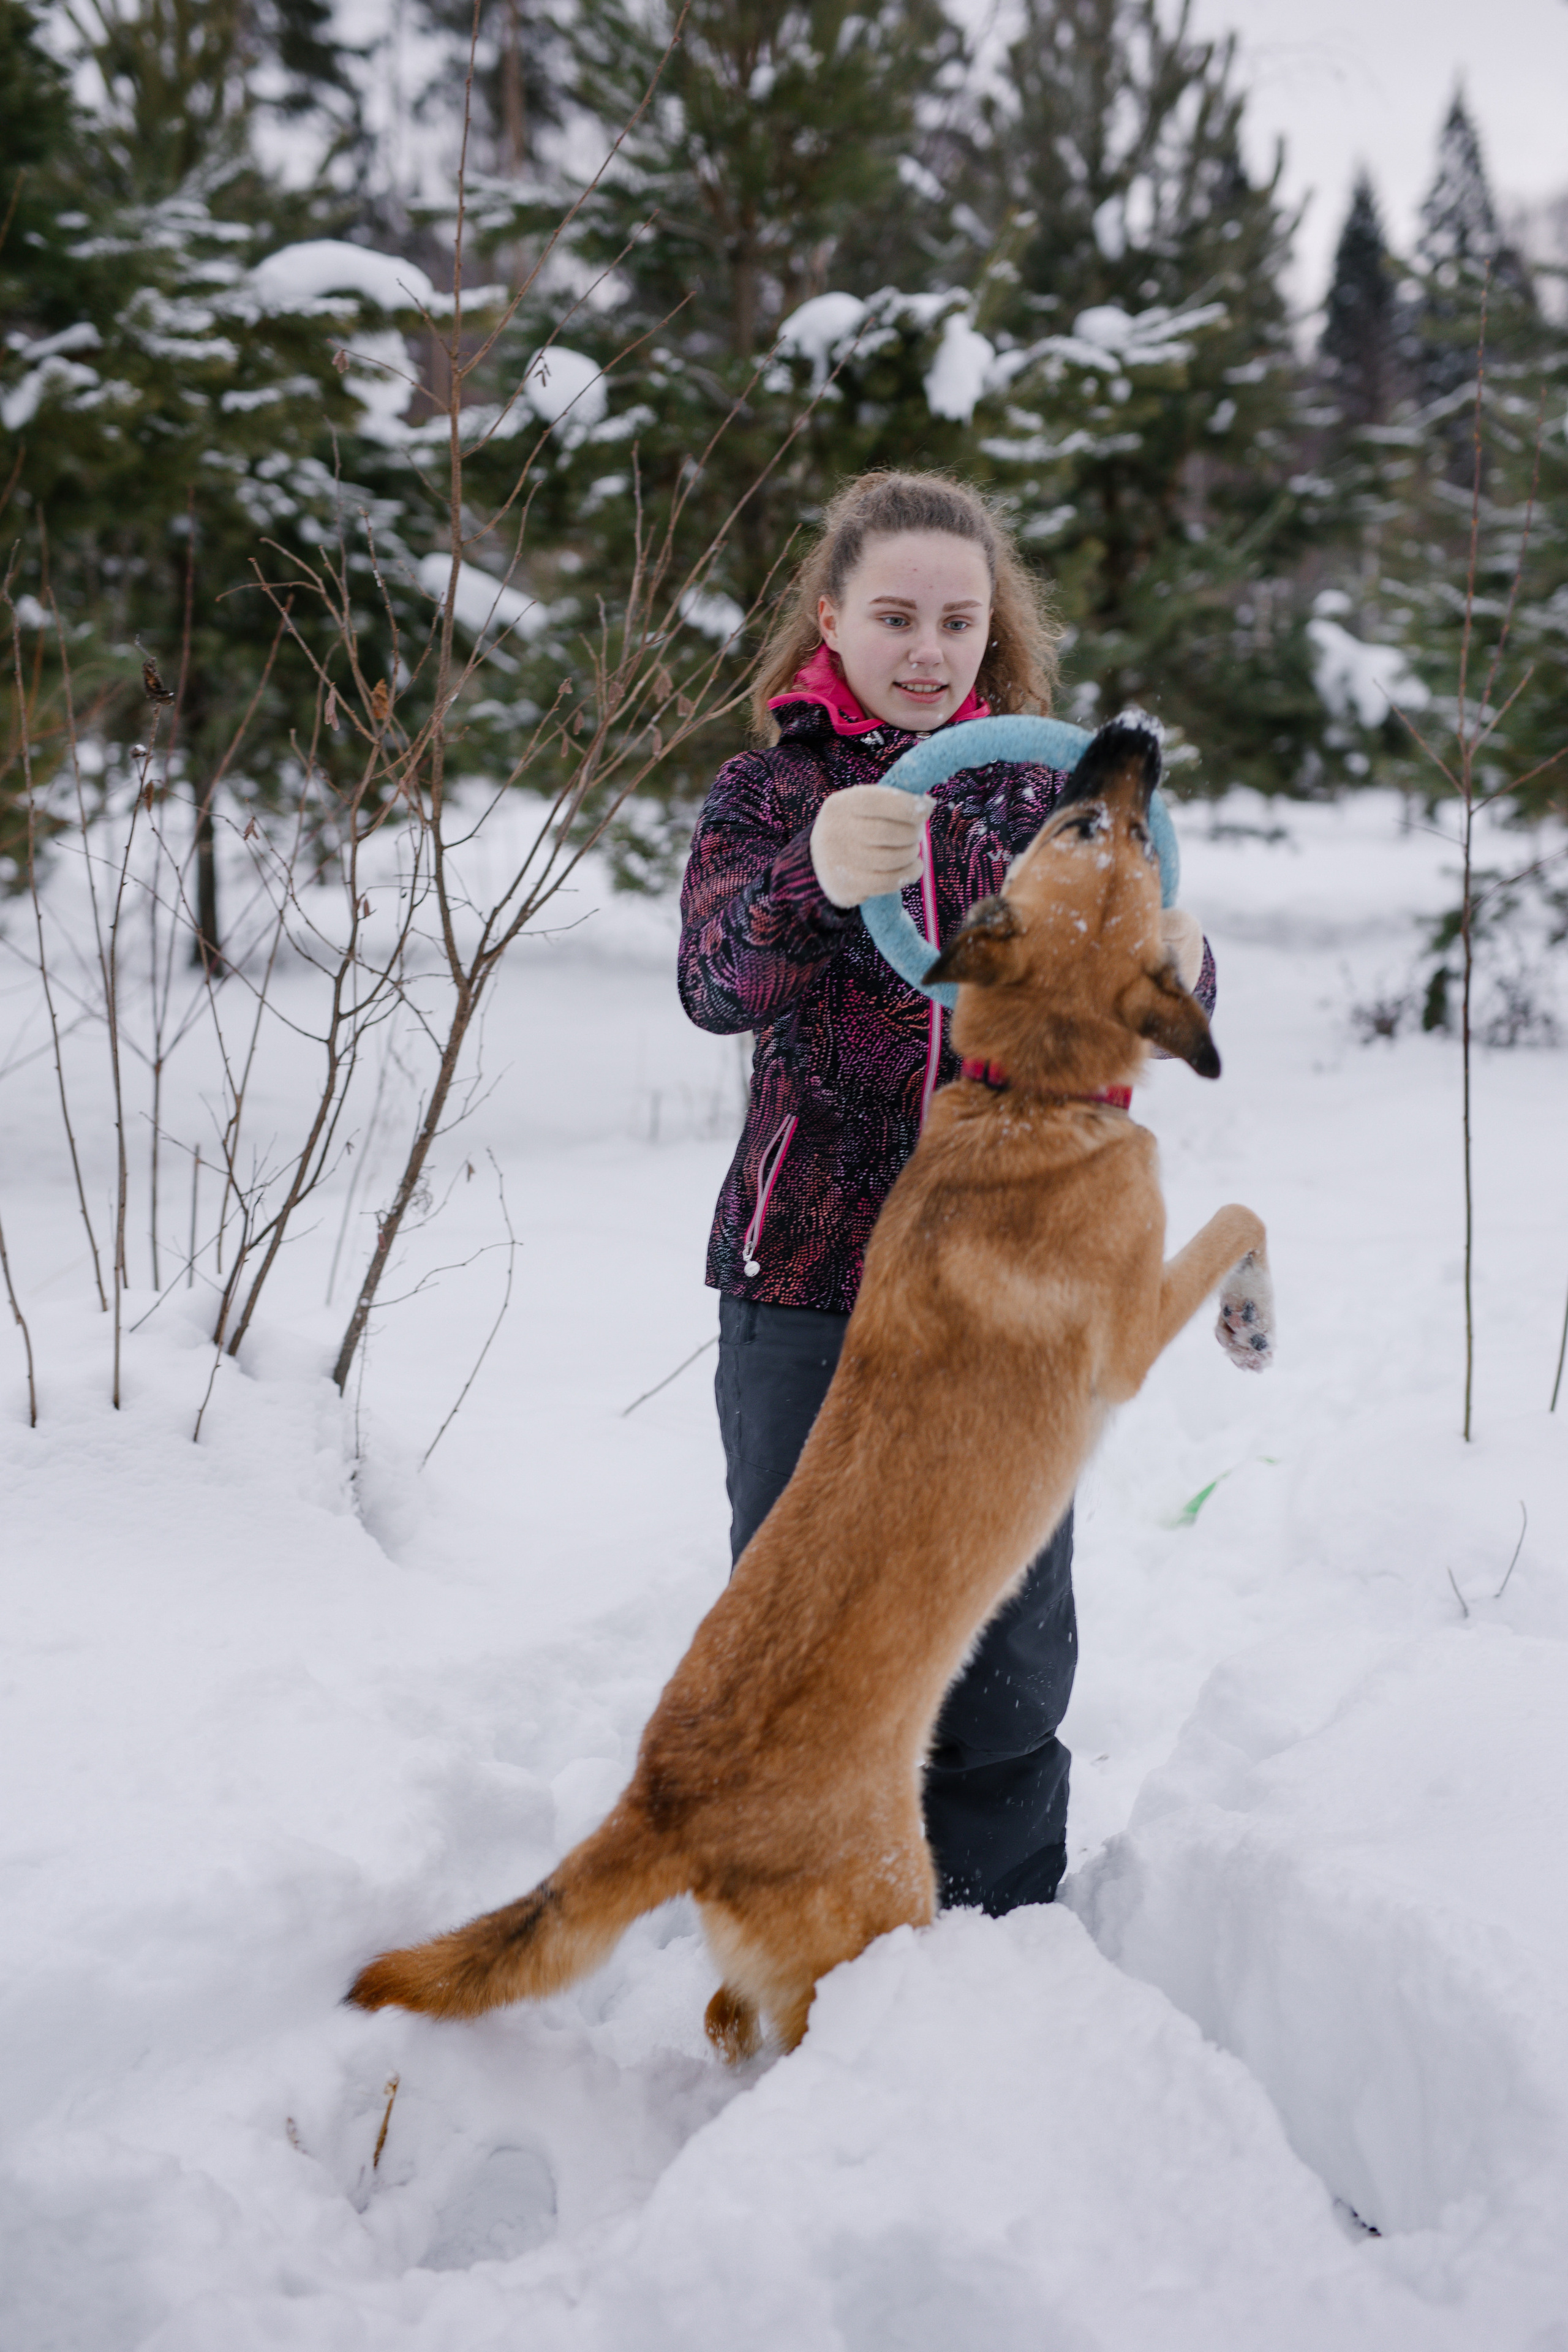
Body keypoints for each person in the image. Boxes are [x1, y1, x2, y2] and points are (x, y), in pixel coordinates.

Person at [677, 470, 1212, 1916]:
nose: (926, 648)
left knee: (1006, 1642)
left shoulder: (1043, 793)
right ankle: (792, 1929)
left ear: (993, 632)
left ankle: (988, 1946)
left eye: (955, 621)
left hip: (1009, 1286)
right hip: (811, 1280)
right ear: (831, 617)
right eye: (896, 616)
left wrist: (1176, 952)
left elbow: (1131, 1000)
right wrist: (805, 872)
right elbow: (711, 982)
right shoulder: (768, 790)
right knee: (807, 1635)